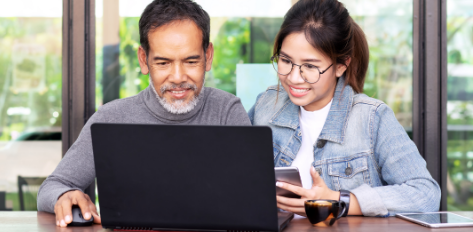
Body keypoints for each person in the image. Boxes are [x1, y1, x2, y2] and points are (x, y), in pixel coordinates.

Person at [37, 0, 251, 227]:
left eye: (190, 61)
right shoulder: (111, 118)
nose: (177, 77)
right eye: (163, 63)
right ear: (143, 59)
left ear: (208, 56)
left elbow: (252, 195)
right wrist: (65, 195)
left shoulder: (228, 112)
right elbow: (52, 186)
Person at [248, 0, 440, 217]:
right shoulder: (265, 105)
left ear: (341, 65)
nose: (293, 78)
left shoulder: (371, 118)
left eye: (310, 66)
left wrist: (338, 201)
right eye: (285, 60)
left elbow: (425, 194)